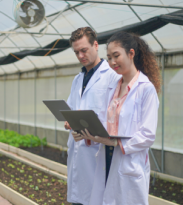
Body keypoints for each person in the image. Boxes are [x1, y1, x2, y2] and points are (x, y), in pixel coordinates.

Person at [80, 31, 160, 205]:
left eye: (116, 56)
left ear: (131, 53)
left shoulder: (146, 89)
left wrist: (117, 143)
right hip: (107, 158)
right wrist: (88, 133)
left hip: (128, 161)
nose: (112, 62)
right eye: (109, 58)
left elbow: (147, 134)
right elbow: (105, 122)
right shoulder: (113, 87)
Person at [65, 27, 120, 205]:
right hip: (78, 148)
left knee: (96, 198)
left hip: (98, 152)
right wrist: (69, 121)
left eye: (84, 50)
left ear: (95, 45)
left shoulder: (111, 77)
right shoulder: (77, 79)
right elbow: (72, 107)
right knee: (78, 198)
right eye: (76, 52)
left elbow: (115, 117)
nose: (80, 56)